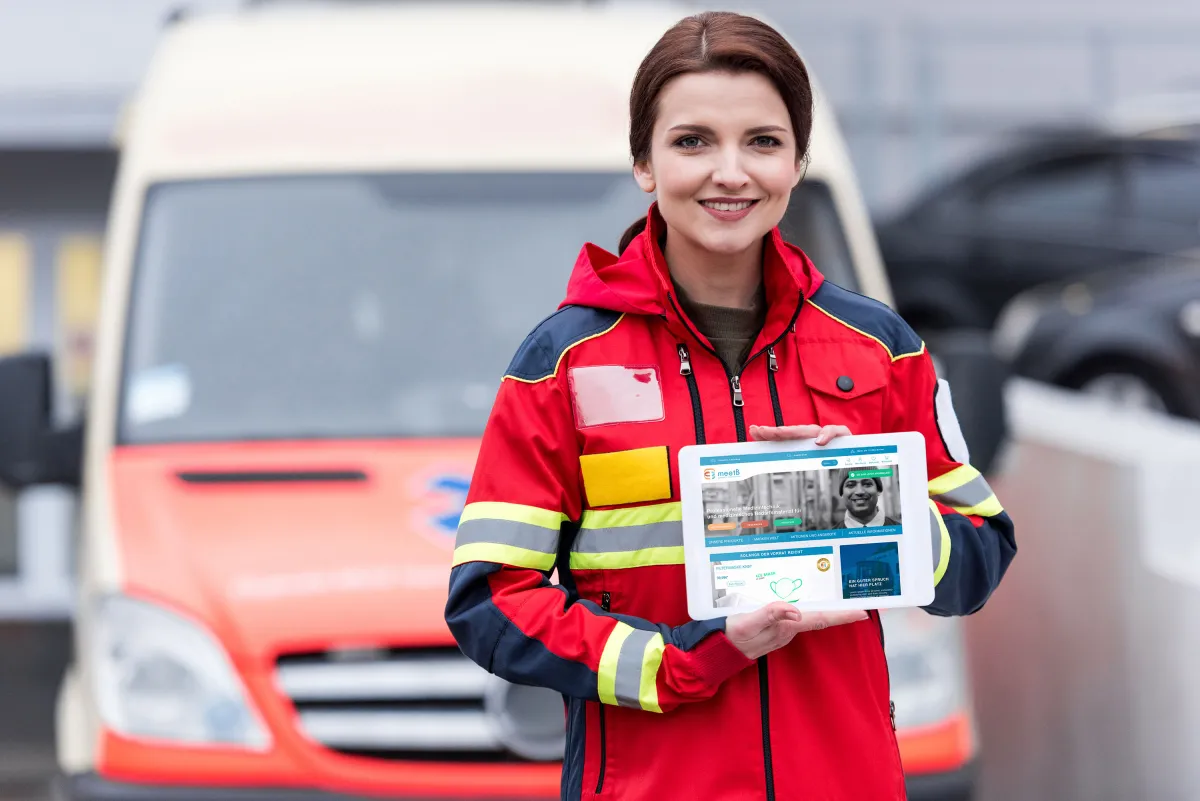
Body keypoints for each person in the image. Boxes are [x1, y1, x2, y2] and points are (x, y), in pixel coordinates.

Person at [445, 11, 1016, 801]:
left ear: (798, 160)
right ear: (644, 162)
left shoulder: (881, 348)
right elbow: (491, 602)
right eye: (692, 142)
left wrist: (871, 506)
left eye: (762, 141)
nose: (730, 172)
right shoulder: (564, 361)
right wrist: (682, 658)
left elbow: (980, 554)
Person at [832, 473, 900, 528]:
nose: (859, 491)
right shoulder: (832, 537)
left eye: (867, 484)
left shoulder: (901, 530)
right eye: (850, 485)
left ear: (879, 490)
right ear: (842, 493)